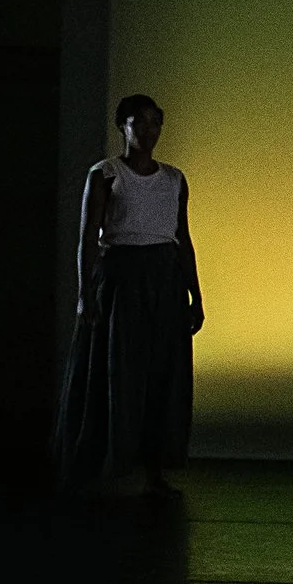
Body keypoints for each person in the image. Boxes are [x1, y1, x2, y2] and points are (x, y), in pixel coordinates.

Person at [57, 93, 202, 496]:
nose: (149, 130)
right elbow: (88, 238)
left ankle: (155, 469)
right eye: (140, 122)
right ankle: (106, 464)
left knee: (161, 374)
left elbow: (183, 239)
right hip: (122, 277)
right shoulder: (105, 174)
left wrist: (195, 294)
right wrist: (86, 294)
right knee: (115, 369)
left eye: (156, 122)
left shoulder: (174, 179)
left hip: (163, 279)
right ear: (123, 127)